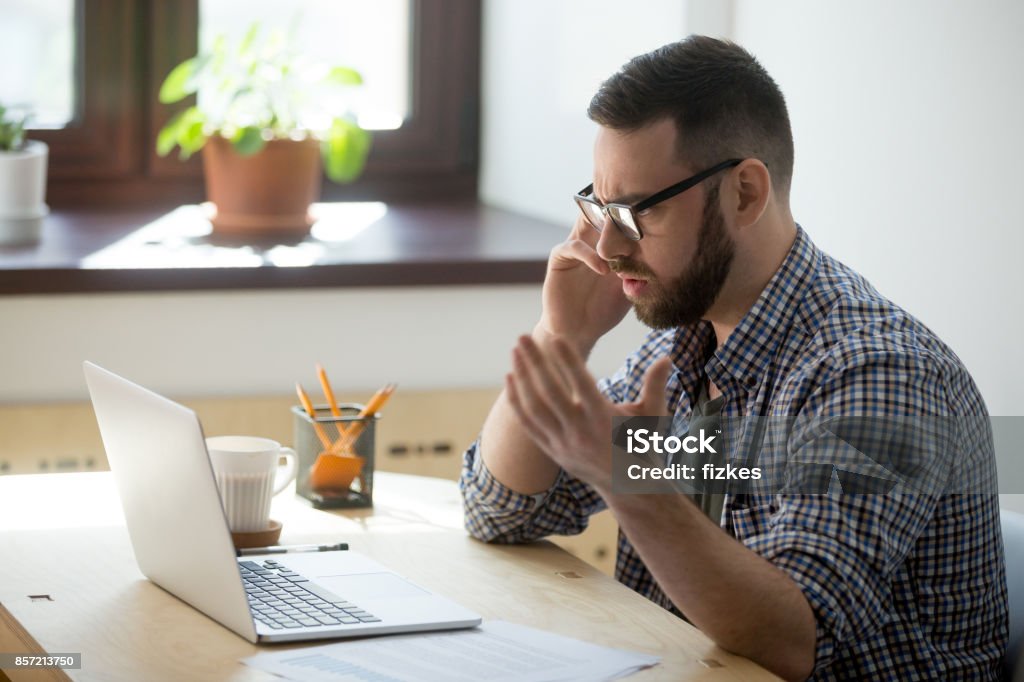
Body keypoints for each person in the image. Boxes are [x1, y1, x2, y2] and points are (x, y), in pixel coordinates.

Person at [458, 35, 1008, 681]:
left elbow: (790, 641)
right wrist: (562, 335)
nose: (607, 246)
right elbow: (503, 512)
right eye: (601, 208)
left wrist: (627, 484)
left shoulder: (879, 375)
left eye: (639, 211)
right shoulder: (686, 344)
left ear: (744, 193)